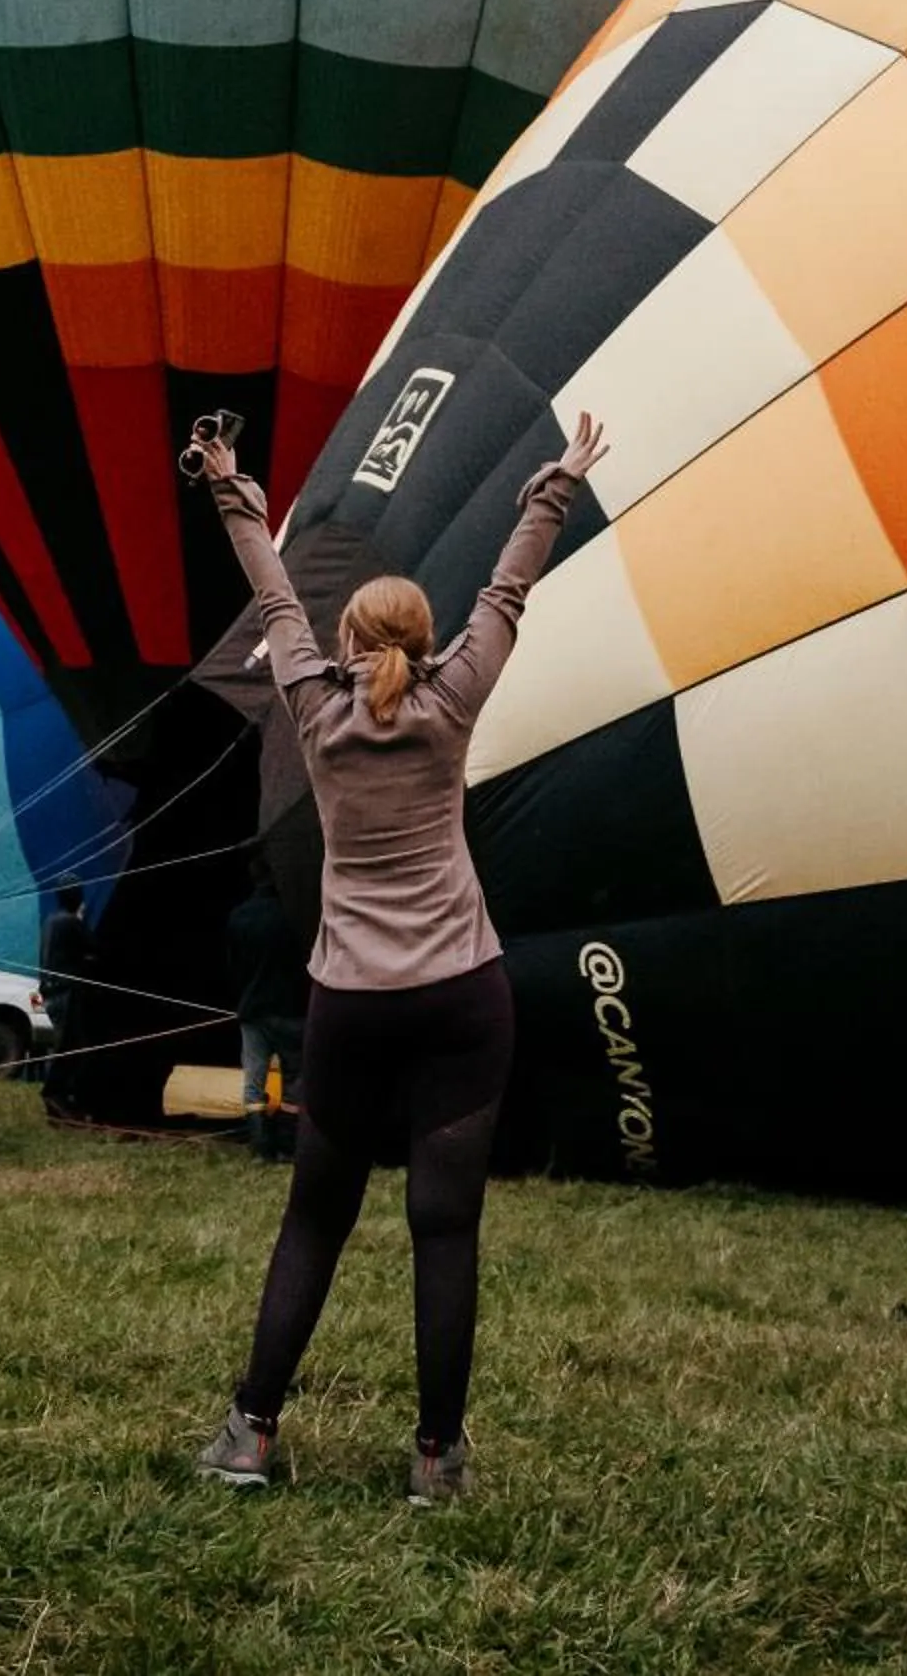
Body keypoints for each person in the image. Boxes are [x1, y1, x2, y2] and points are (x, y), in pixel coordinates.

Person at [191, 408, 610, 1507]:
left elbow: (275, 593)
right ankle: (436, 1458)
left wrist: (231, 484)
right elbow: (506, 595)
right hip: (463, 997)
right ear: (420, 643)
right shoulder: (454, 697)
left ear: (345, 641)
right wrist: (555, 484)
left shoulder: (315, 709)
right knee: (444, 1226)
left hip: (352, 1003)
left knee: (316, 1218)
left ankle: (249, 1436)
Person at [226, 855, 308, 1160]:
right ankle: (287, 1146)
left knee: (254, 1080)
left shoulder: (239, 916)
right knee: (294, 1079)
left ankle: (260, 1147)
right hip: (290, 1010)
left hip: (253, 1010)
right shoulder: (293, 916)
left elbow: (234, 966)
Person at [37, 879, 92, 1127]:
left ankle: (58, 1101)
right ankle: (58, 1097)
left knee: (62, 1044)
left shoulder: (51, 921)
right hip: (67, 992)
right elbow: (94, 947)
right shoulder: (71, 923)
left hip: (52, 990)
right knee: (70, 1046)